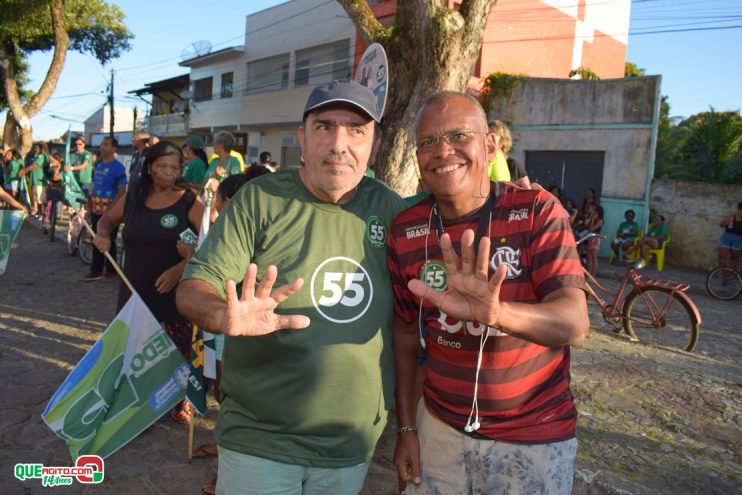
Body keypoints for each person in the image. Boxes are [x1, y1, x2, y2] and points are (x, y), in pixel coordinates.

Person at [176, 80, 406, 495]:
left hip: (351, 443)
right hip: (260, 436)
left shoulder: (389, 208)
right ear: (302, 137)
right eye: (324, 127)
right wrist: (221, 314)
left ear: (374, 144)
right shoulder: (259, 199)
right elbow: (194, 286)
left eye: (356, 130)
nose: (339, 144)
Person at [388, 91, 589, 495]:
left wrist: (499, 314)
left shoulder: (536, 211)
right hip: (438, 432)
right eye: (427, 142)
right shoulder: (405, 230)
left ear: (491, 146)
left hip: (532, 436)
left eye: (459, 135)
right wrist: (407, 428)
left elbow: (574, 324)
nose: (443, 151)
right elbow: (406, 334)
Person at [93, 140, 204, 423]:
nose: (169, 172)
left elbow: (212, 240)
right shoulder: (133, 196)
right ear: (150, 167)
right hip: (134, 291)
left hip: (174, 296)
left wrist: (181, 268)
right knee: (135, 353)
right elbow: (106, 220)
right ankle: (138, 405)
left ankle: (179, 398)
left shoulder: (189, 200)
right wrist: (103, 234)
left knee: (175, 351)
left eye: (175, 167)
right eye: (162, 166)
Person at [83, 137, 127, 282]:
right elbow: (93, 187)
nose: (102, 147)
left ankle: (111, 270)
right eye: (102, 144)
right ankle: (96, 270)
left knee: (110, 240)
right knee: (95, 238)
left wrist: (112, 208)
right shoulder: (99, 165)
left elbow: (122, 190)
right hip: (96, 209)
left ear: (114, 149)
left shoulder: (118, 168)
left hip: (111, 212)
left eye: (106, 145)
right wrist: (89, 205)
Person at [19, 142, 50, 217]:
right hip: (34, 180)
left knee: (40, 199)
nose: (35, 149)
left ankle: (42, 214)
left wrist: (25, 170)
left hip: (40, 181)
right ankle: (36, 212)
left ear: (41, 148)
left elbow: (35, 165)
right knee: (35, 198)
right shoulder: (36, 156)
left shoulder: (42, 156)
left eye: (37, 147)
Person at [718, 201, 742, 267]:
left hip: (739, 239)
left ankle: (731, 272)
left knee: (734, 258)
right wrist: (724, 222)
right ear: (739, 210)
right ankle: (721, 270)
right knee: (722, 256)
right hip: (727, 237)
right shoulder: (731, 217)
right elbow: (721, 225)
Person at [585, 203, 604, 276]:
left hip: (595, 238)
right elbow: (587, 226)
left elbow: (591, 229)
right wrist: (591, 219)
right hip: (590, 238)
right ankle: (589, 274)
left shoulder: (600, 220)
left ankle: (593, 274)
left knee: (593, 257)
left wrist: (592, 220)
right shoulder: (592, 218)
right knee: (588, 257)